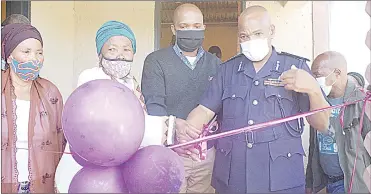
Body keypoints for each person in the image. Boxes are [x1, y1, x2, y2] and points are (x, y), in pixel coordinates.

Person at [174, 5, 331, 193]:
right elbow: (204, 110)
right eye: (244, 36)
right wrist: (188, 133)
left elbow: (322, 124)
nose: (250, 41)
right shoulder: (227, 70)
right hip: (234, 180)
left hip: (281, 180)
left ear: (271, 31)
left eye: (257, 33)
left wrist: (313, 89)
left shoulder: (295, 67)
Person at [55, 20, 168, 193]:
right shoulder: (91, 80)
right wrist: (167, 129)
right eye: (112, 49)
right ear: (100, 54)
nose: (120, 55)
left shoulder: (132, 83)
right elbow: (114, 127)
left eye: (126, 49)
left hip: (116, 171)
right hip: (87, 173)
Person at [141, 3, 222, 193]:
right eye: (184, 27)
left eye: (196, 26)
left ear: (203, 28)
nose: (191, 31)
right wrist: (174, 132)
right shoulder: (155, 61)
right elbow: (154, 106)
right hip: (169, 154)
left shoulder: (217, 65)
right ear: (173, 29)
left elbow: (221, 107)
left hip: (205, 155)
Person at [1, 23, 65, 193]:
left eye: (39, 53)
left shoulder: (51, 93)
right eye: (26, 52)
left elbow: (62, 140)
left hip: (40, 184)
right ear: (9, 56)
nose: (34, 58)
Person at [306, 51, 371, 193]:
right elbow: (314, 146)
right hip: (325, 183)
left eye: (318, 75)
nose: (315, 80)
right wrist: (310, 183)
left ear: (337, 73)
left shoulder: (362, 103)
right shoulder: (319, 103)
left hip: (351, 185)